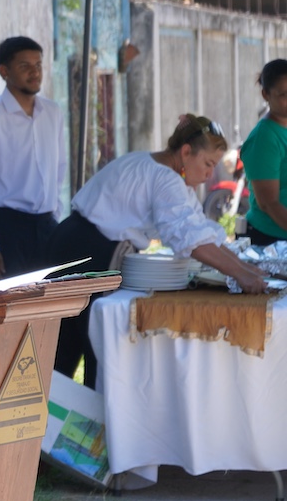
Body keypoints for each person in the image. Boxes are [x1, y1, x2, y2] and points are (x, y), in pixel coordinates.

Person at [48, 114, 268, 387]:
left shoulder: (155, 167)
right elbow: (190, 241)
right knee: (82, 349)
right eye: (208, 164)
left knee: (68, 349)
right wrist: (241, 275)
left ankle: (66, 420)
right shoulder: (166, 178)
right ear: (186, 152)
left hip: (73, 242)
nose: (210, 174)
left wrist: (248, 269)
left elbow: (203, 232)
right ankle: (80, 421)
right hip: (87, 252)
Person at [0, 36, 65, 282]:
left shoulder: (52, 113)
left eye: (38, 65)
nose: (34, 72)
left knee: (49, 310)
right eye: (24, 66)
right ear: (4, 71)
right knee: (9, 313)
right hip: (6, 230)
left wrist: (54, 215)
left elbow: (59, 169)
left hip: (46, 226)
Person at [241, 59, 287, 246]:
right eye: (284, 94)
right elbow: (268, 203)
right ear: (265, 94)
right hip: (271, 240)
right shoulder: (265, 138)